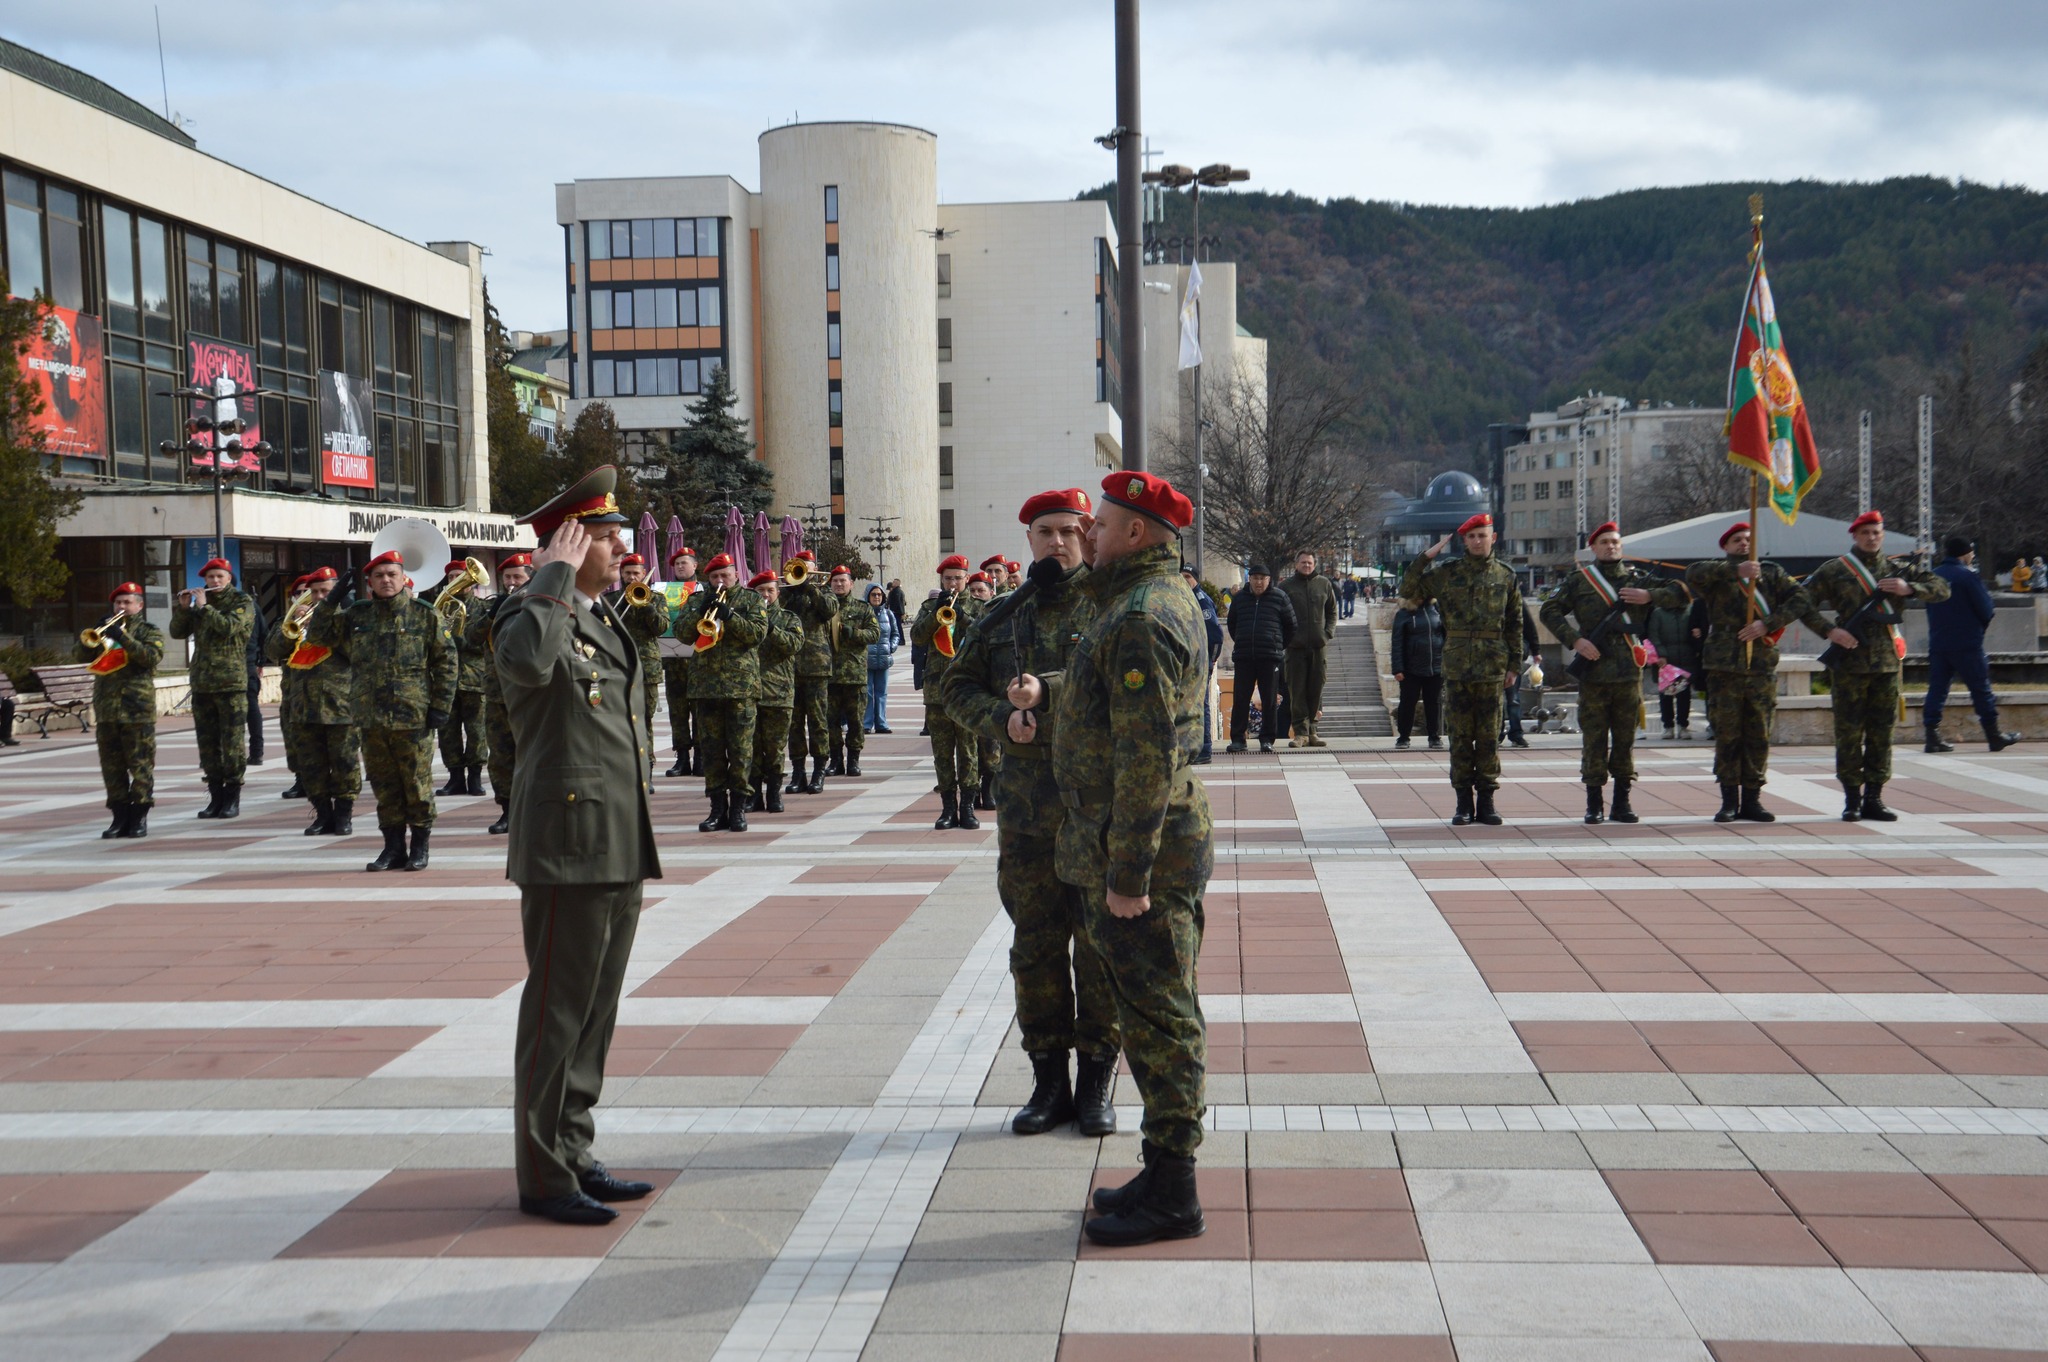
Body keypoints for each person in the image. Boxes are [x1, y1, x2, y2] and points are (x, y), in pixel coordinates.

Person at [1019, 470, 1211, 1247]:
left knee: (1160, 1018)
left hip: (1144, 857)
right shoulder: (1140, 603)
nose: (1086, 534)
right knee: (1152, 1010)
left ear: (1135, 532)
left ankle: (1175, 1191)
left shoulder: (1138, 615)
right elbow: (1116, 699)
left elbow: (1146, 756)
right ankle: (1162, 1172)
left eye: (1098, 524)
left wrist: (1127, 875)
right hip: (1137, 843)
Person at [494, 465, 661, 1226]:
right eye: (605, 534)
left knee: (594, 1011)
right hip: (568, 844)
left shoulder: (599, 615)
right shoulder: (531, 615)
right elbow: (528, 664)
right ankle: (542, 1173)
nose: (620, 545)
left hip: (616, 840)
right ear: (570, 541)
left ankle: (573, 1146)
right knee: (557, 1012)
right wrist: (550, 575)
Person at [943, 486, 1121, 1139]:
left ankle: (1098, 1081)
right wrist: (999, 718)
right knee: (1036, 950)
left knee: (1099, 950)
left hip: (1095, 810)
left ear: (1088, 535)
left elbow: (1123, 685)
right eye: (1044, 531)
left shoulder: (1113, 609)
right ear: (1028, 538)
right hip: (1026, 817)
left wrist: (1049, 692)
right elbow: (953, 686)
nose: (1057, 542)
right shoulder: (1001, 617)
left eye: (1069, 531)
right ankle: (1049, 1084)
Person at [307, 546, 456, 871]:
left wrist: (440, 707)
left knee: (416, 785)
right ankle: (392, 848)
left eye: (392, 574)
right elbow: (317, 637)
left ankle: (419, 846)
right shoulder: (356, 615)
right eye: (379, 575)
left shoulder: (425, 614)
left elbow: (446, 662)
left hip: (411, 715)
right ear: (369, 582)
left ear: (404, 578)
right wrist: (330, 601)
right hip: (370, 716)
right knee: (384, 786)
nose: (386, 580)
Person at [1799, 510, 1950, 821]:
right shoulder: (1835, 570)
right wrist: (1830, 631)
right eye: (1866, 532)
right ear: (1855, 535)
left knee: (1882, 733)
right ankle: (1852, 799)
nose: (1872, 538)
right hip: (1849, 663)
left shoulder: (1896, 571)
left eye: (1877, 533)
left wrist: (1910, 589)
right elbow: (1801, 602)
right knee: (1849, 733)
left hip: (1886, 665)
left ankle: (1875, 798)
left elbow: (1942, 589)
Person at [1540, 523, 1690, 824]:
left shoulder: (1636, 579)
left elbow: (1682, 593)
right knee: (1594, 740)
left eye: (1615, 542)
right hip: (1594, 672)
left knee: (1624, 740)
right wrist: (1575, 641)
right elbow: (1549, 610)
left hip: (1627, 673)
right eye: (1605, 542)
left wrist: (1649, 596)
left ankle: (1622, 802)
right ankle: (1594, 803)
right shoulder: (1580, 580)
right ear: (1593, 548)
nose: (1611, 547)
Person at [1685, 521, 1813, 823]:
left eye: (1748, 539)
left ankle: (1752, 799)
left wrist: (1767, 623)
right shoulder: (1717, 573)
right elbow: (1692, 574)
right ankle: (1729, 799)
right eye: (1737, 540)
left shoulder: (1771, 573)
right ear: (1726, 546)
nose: (1744, 544)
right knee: (1727, 733)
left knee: (1758, 732)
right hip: (1724, 664)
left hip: (1760, 662)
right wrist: (1735, 571)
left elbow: (1801, 599)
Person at [1401, 514, 1521, 827]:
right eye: (1472, 536)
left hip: (1493, 667)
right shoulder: (1446, 573)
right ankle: (1463, 802)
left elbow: (1515, 623)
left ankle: (1488, 801)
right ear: (1464, 541)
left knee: (1489, 737)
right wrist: (1427, 556)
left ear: (1493, 538)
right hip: (1456, 667)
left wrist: (1514, 665)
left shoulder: (1506, 576)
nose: (1478, 541)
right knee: (1459, 736)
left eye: (1483, 535)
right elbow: (1408, 588)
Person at [674, 552, 768, 832]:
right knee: (712, 753)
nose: (719, 581)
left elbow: (757, 634)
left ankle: (739, 808)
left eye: (724, 575)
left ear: (736, 575)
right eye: (714, 576)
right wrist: (700, 610)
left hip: (741, 689)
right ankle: (717, 809)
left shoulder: (751, 600)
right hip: (705, 689)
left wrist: (730, 616)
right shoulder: (696, 600)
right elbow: (681, 634)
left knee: (740, 752)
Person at [265, 567, 359, 836]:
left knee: (344, 763)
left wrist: (324, 624)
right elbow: (272, 651)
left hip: (339, 705)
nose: (318, 597)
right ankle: (322, 814)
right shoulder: (294, 619)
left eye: (325, 592)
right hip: (302, 705)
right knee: (311, 766)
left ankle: (343, 815)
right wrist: (290, 629)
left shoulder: (347, 619)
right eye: (314, 592)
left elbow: (355, 653)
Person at [170, 556, 255, 819]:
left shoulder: (242, 602)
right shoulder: (198, 605)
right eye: (210, 578)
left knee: (231, 744)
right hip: (203, 683)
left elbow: (230, 628)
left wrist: (205, 607)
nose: (214, 581)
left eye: (219, 576)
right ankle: (215, 797)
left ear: (229, 578)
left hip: (230, 684)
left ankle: (232, 798)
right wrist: (184, 608)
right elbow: (176, 632)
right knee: (207, 745)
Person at [77, 582, 164, 838]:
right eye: (118, 603)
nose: (122, 607)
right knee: (111, 768)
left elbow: (150, 657)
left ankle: (139, 818)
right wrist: (94, 635)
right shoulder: (104, 631)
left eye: (127, 602)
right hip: (107, 710)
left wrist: (123, 637)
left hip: (137, 710)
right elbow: (81, 655)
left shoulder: (149, 630)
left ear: (139, 605)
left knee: (140, 766)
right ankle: (119, 818)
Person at [1924, 535, 2021, 753]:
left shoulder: (1933, 576)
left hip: (1939, 643)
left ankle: (1931, 735)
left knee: (1937, 689)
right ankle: (1994, 735)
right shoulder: (1968, 577)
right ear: (1965, 553)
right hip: (1967, 643)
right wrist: (1978, 629)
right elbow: (1986, 609)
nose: (1973, 556)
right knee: (1980, 689)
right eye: (1971, 552)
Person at [910, 554, 985, 829]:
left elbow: (985, 635)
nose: (953, 583)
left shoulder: (979, 607)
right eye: (948, 578)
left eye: (958, 578)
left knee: (967, 750)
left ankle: (967, 807)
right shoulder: (931, 606)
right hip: (937, 689)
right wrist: (934, 615)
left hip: (967, 689)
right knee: (941, 752)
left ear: (967, 578)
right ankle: (947, 808)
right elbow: (917, 636)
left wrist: (963, 618)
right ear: (941, 580)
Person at [470, 553, 534, 835]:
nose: (511, 583)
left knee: (533, 752)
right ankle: (507, 810)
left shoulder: (540, 603)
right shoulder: (490, 606)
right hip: (497, 692)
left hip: (532, 692)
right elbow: (469, 639)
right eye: (507, 577)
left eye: (517, 577)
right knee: (501, 755)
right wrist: (491, 614)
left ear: (529, 578)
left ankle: (536, 809)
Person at [425, 560, 490, 798]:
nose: (456, 581)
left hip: (474, 678)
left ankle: (474, 777)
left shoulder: (483, 608)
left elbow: (483, 641)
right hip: (445, 680)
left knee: (476, 732)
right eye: (452, 576)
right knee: (447, 732)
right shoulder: (439, 608)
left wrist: (461, 641)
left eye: (460, 576)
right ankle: (454, 778)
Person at [781, 551, 839, 795]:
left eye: (806, 567)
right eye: (798, 567)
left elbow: (828, 611)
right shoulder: (786, 594)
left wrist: (809, 589)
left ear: (815, 569)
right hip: (789, 667)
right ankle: (797, 771)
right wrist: (793, 591)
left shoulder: (824, 592)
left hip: (816, 666)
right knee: (793, 724)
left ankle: (819, 770)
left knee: (817, 721)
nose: (801, 571)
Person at [748, 570, 806, 812]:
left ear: (778, 593)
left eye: (770, 590)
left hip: (778, 694)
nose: (766, 595)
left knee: (774, 748)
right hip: (750, 693)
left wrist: (771, 628)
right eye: (761, 591)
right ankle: (753, 795)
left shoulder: (789, 618)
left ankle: (773, 794)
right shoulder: (746, 619)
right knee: (750, 748)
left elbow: (794, 645)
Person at [1224, 565, 1294, 753]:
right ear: (1250, 579)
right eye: (1255, 578)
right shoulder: (1239, 599)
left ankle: (1267, 739)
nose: (1258, 582)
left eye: (1262, 578)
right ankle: (1238, 739)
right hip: (1244, 657)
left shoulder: (1279, 598)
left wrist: (1277, 645)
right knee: (1240, 698)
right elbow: (1232, 624)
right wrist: (1242, 640)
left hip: (1270, 658)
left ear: (1269, 580)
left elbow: (1291, 626)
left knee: (1269, 699)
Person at [610, 552, 671, 768]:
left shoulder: (656, 598)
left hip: (647, 668)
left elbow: (661, 628)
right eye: (627, 573)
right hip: (618, 667)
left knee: (644, 719)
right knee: (618, 719)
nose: (632, 577)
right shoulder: (610, 600)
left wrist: (647, 606)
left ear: (644, 573)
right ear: (621, 575)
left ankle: (647, 766)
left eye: (636, 573)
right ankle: (623, 765)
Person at [825, 566, 881, 776]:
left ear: (851, 584)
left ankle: (854, 760)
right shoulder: (824, 608)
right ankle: (836, 760)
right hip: (829, 674)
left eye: (843, 581)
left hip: (854, 674)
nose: (839, 584)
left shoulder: (862, 608)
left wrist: (852, 633)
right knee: (830, 721)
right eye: (835, 581)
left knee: (856, 721)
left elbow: (874, 634)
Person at [1279, 551, 1338, 747]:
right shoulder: (1286, 587)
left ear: (1314, 564)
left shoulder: (1324, 584)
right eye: (1303, 562)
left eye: (1310, 562)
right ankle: (1300, 732)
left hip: (1318, 646)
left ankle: (1313, 730)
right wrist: (1287, 638)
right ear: (1296, 564)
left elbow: (1332, 611)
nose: (1306, 566)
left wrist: (1327, 633)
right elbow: (1279, 615)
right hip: (1295, 648)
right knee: (1297, 690)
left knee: (1316, 688)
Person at [661, 547, 701, 777]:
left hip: (697, 662)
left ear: (695, 566)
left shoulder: (703, 590)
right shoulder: (664, 591)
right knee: (677, 712)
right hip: (673, 660)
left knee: (699, 711)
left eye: (684, 563)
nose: (680, 567)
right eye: (676, 564)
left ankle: (701, 757)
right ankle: (682, 758)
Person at [1389, 595, 1444, 750]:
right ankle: (1403, 737)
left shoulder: (1436, 610)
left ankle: (1434, 736)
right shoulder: (1404, 614)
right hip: (1410, 668)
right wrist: (1397, 668)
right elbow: (1397, 642)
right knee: (1407, 702)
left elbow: (1444, 635)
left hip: (1435, 666)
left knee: (1433, 703)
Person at [1182, 566, 1222, 764]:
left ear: (1195, 579)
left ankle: (1204, 748)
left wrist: (1211, 660)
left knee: (1201, 703)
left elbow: (1214, 634)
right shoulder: (1182, 598)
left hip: (1200, 660)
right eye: (1181, 576)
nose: (1184, 580)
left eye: (1188, 577)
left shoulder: (1201, 600)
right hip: (1186, 660)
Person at [1648, 597, 1699, 740]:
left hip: (1686, 658)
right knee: (1666, 695)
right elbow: (1654, 635)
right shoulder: (1658, 612)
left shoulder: (1690, 610)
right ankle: (1668, 726)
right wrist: (1661, 654)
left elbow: (1696, 628)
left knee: (1684, 694)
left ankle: (1683, 725)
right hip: (1665, 662)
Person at [1500, 606, 1540, 748]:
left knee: (1513, 698)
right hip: (1493, 655)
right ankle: (1497, 733)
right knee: (1495, 699)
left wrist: (1536, 651)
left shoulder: (1515, 599)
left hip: (1512, 656)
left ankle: (1516, 733)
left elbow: (1529, 626)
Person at [864, 583, 901, 733]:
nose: (877, 597)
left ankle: (881, 723)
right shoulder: (863, 613)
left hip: (884, 659)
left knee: (882, 693)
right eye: (873, 594)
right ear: (868, 596)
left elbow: (896, 634)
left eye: (879, 594)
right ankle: (866, 724)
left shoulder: (889, 614)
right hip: (867, 659)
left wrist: (891, 647)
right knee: (867, 693)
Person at [244, 587, 269, 771]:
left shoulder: (248, 606)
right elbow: (264, 635)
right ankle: (256, 752)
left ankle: (256, 752)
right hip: (250, 663)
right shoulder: (252, 605)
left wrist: (260, 660)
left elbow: (263, 635)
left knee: (251, 709)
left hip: (246, 664)